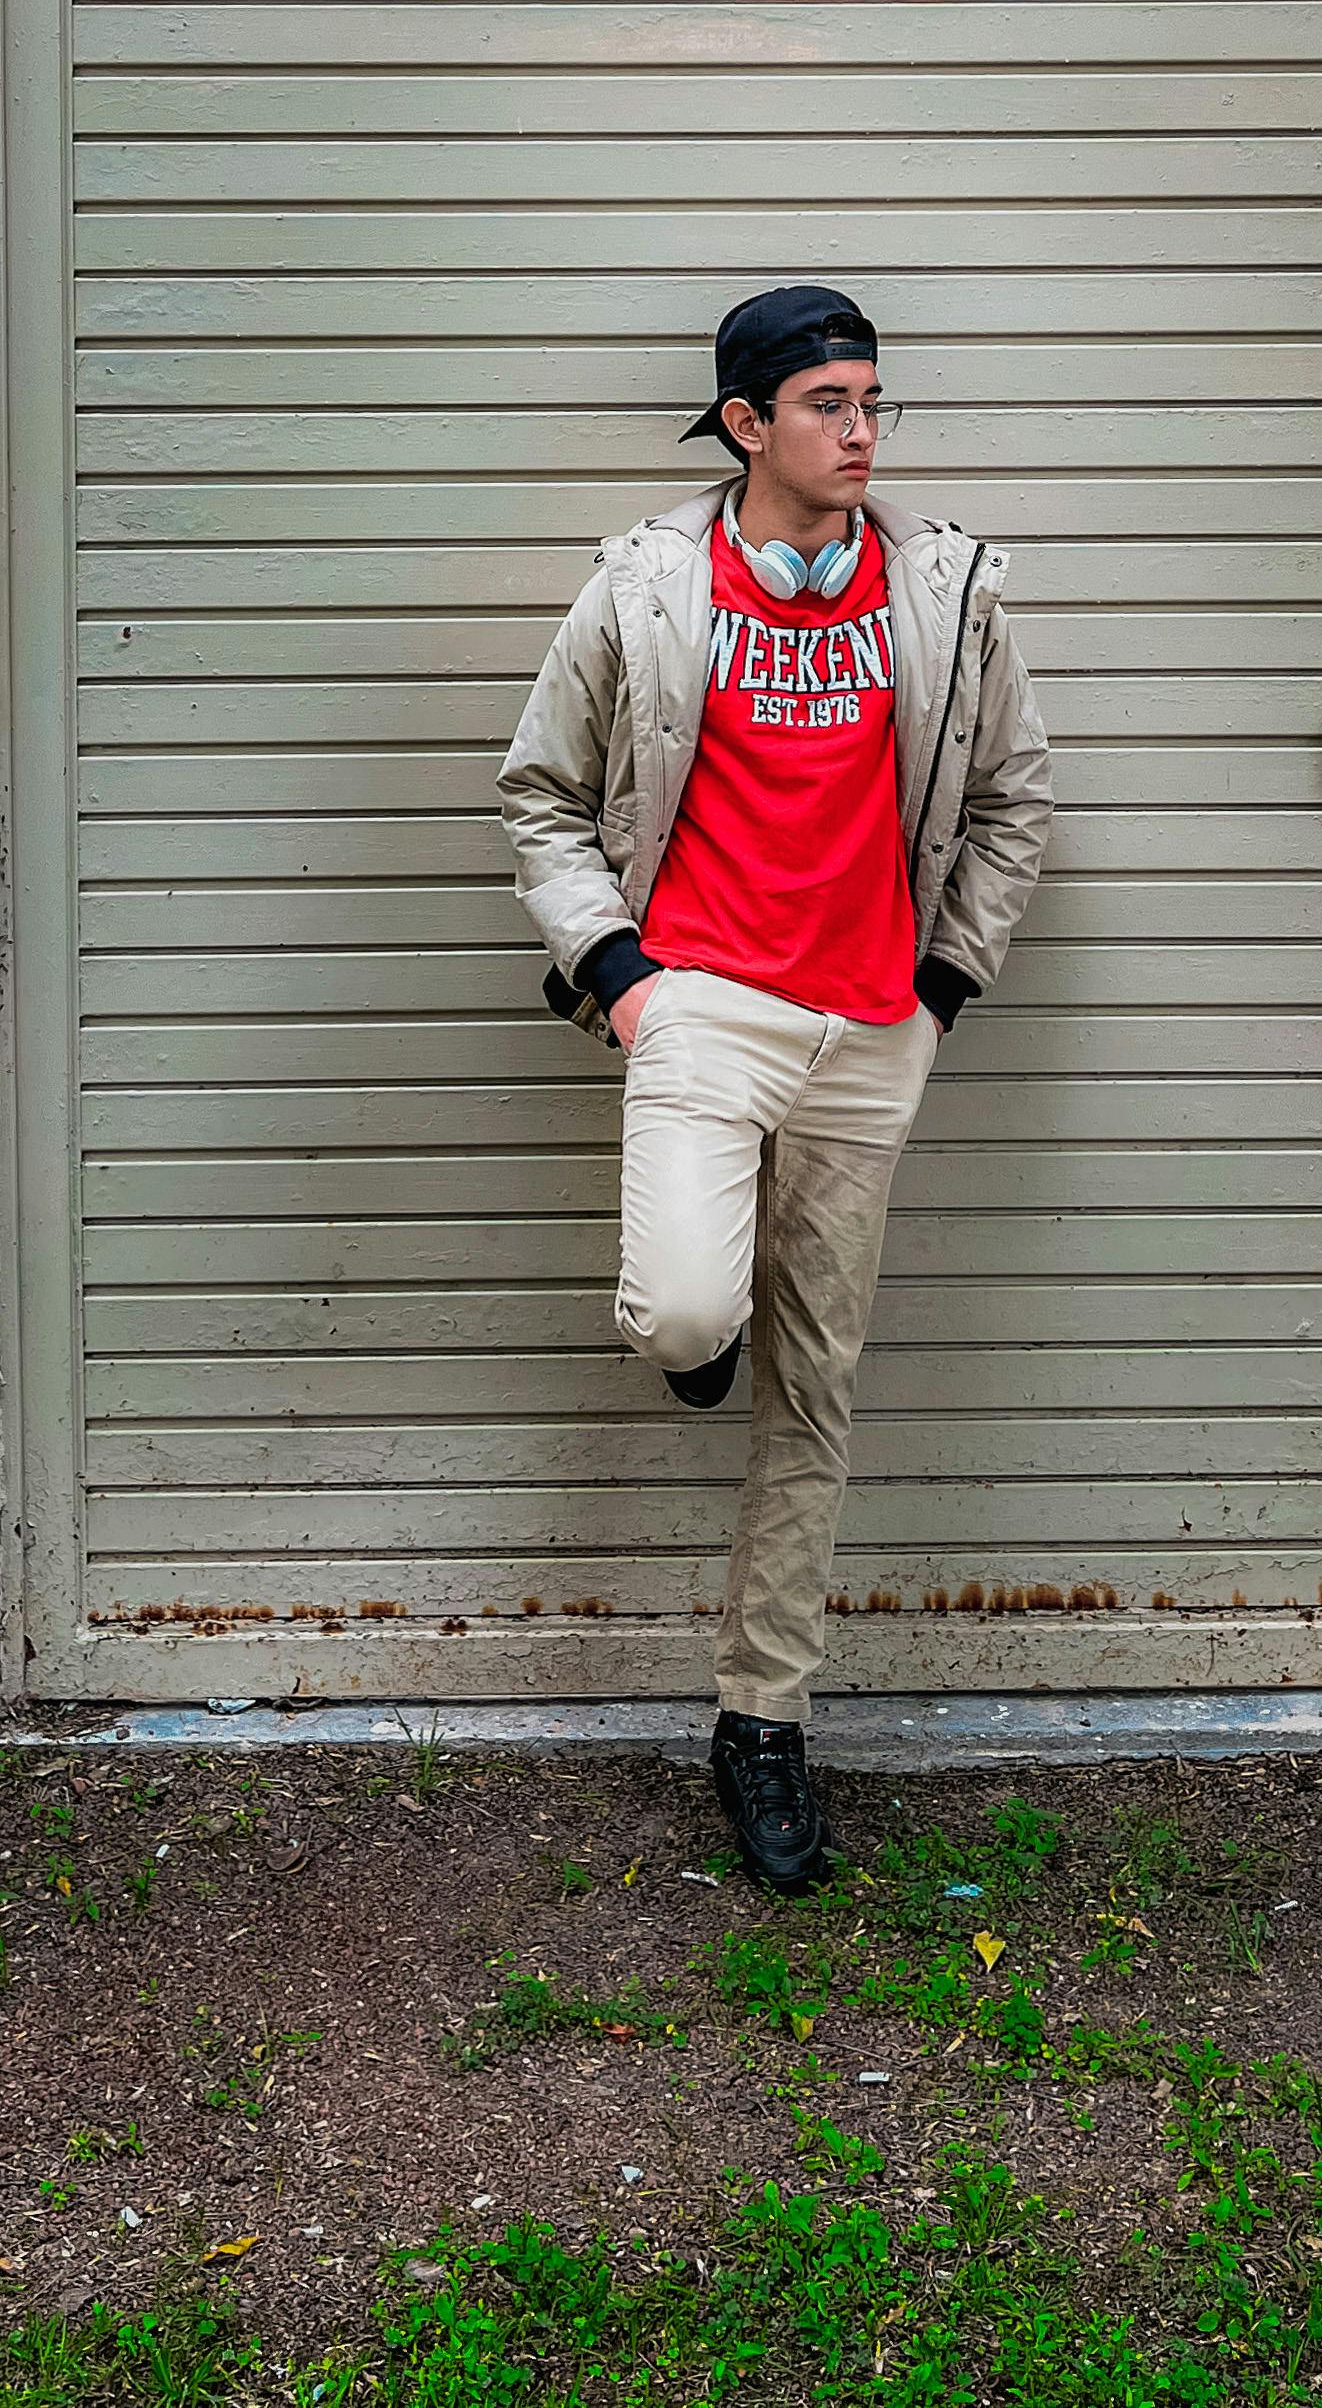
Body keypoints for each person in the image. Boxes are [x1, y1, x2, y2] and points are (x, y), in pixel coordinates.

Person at [496, 283, 1054, 1890]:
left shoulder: (940, 591)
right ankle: (701, 1319)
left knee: (815, 1385)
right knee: (680, 1317)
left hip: (871, 1029)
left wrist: (944, 986)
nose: (863, 433)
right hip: (703, 1013)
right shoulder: (650, 586)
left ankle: (760, 1721)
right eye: (830, 405)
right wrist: (620, 975)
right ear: (747, 423)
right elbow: (540, 793)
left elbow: (1015, 799)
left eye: (876, 403)